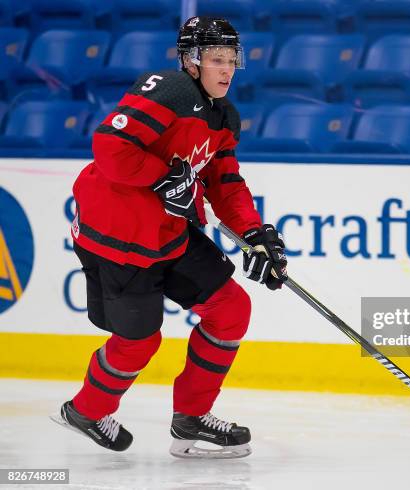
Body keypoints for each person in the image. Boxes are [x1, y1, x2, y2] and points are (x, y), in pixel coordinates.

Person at [51, 16, 288, 459]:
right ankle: (85, 410)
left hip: (167, 232)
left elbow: (225, 183)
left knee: (230, 308)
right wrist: (163, 177)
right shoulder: (170, 90)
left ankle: (192, 418)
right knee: (141, 341)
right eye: (217, 59)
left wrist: (253, 233)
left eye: (232, 60)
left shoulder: (224, 116)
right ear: (192, 62)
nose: (227, 70)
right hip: (116, 237)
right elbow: (109, 147)